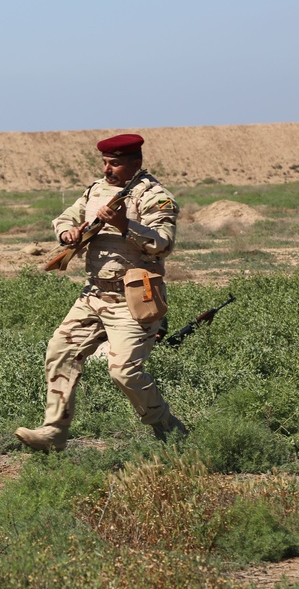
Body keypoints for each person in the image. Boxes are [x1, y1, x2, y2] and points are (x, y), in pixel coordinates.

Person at [15, 133, 186, 451]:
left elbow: (163, 243)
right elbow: (69, 215)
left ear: (136, 163)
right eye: (105, 163)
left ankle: (170, 431)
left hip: (133, 299)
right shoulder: (96, 190)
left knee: (124, 372)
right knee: (60, 352)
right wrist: (66, 230)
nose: (108, 169)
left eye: (116, 164)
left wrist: (125, 225)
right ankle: (54, 432)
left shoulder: (154, 196)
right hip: (93, 295)